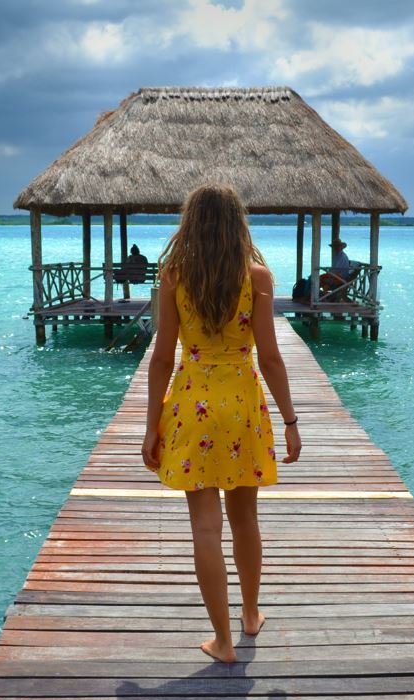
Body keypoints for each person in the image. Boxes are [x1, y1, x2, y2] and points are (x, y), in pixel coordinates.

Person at [142, 184, 301, 664]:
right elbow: (271, 358)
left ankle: (223, 641)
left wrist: (151, 426)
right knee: (245, 519)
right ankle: (250, 615)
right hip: (242, 406)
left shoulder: (173, 277)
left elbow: (161, 358)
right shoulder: (257, 277)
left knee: (205, 530)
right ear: (238, 225)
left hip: (192, 406)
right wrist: (291, 420)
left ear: (190, 225)